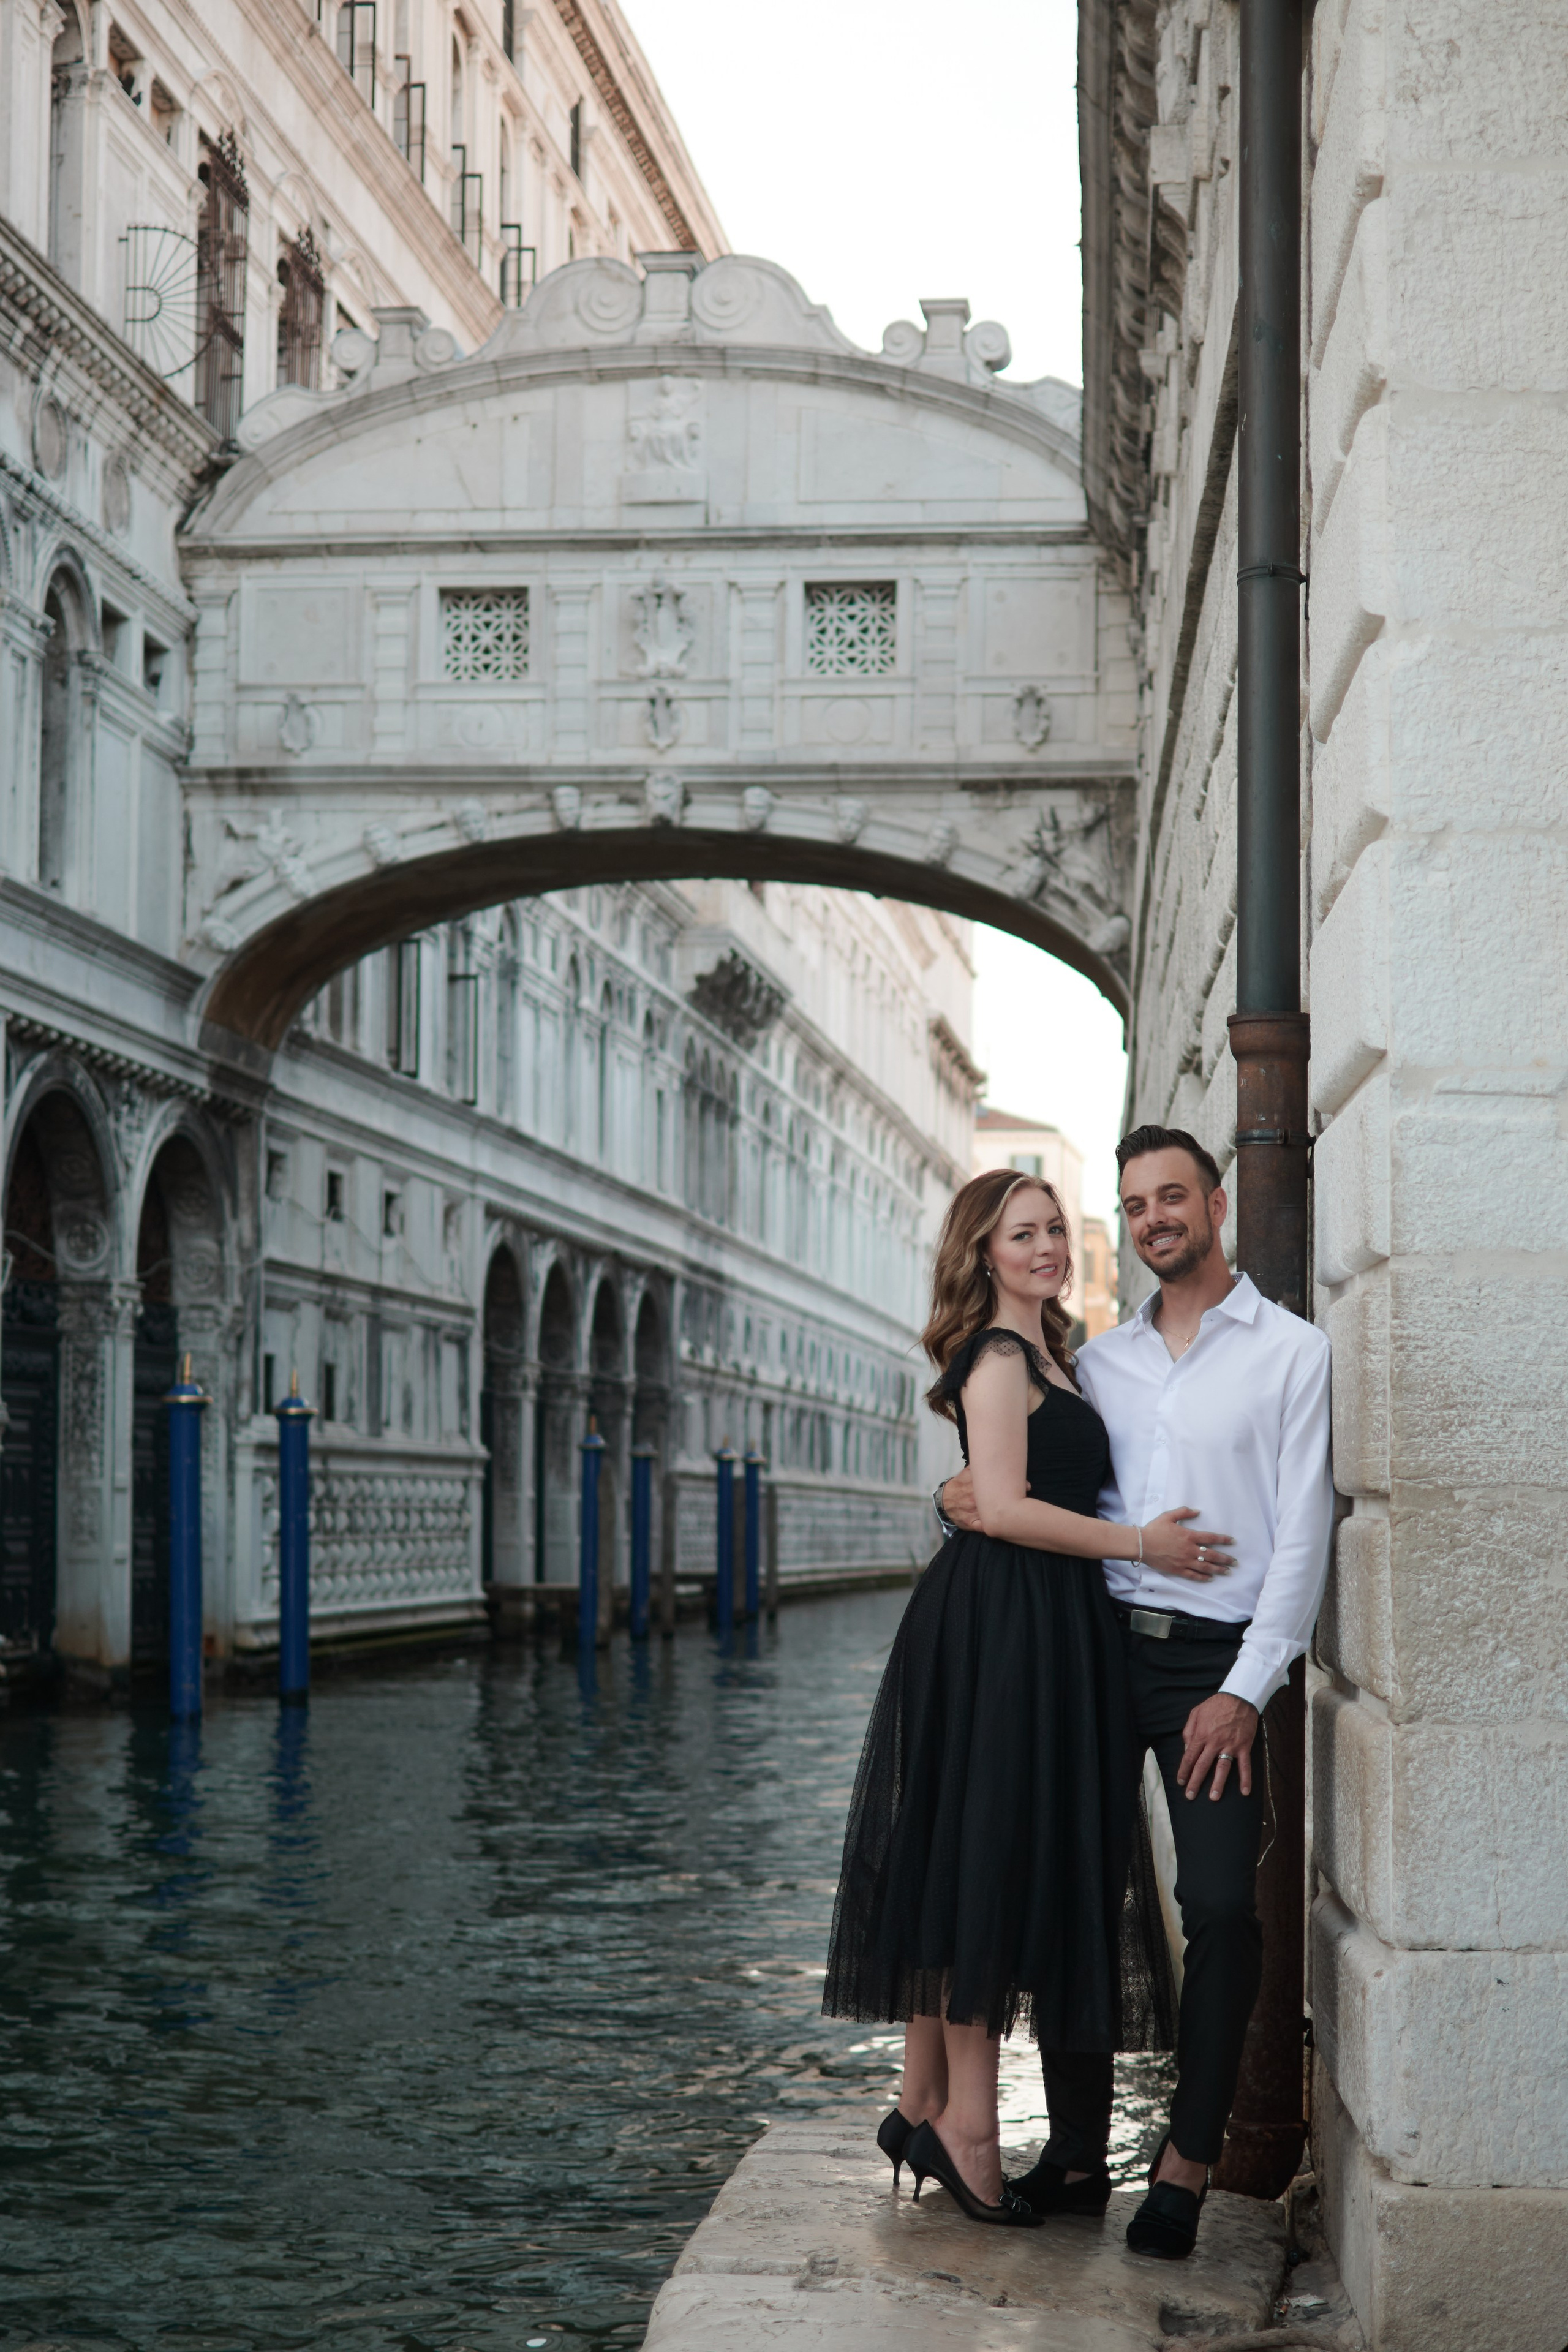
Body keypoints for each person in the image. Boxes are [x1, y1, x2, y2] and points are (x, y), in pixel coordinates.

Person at [938, 1125, 1334, 2259]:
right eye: (1134, 1204)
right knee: (1070, 1886)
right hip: (1090, 1649)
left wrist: (1248, 1689)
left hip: (1215, 1667)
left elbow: (1303, 1542)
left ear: (1217, 1204)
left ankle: (1187, 2161)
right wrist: (954, 1501)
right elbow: (1027, 1482)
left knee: (1217, 1904)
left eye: (1173, 1196)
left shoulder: (1292, 1353)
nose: (1153, 1217)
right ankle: (1072, 2150)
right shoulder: (1100, 1361)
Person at [822, 1166, 1226, 2227]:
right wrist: (1146, 1545)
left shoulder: (1062, 1354)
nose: (1047, 1247)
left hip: (1040, 1624)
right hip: (1004, 1624)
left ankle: (922, 2103)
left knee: (967, 1846)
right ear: (984, 1255)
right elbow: (999, 1505)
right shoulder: (1002, 1354)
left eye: (1055, 1229)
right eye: (1023, 1236)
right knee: (983, 1852)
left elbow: (988, 1489)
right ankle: (965, 2130)